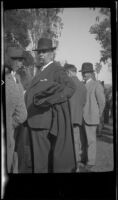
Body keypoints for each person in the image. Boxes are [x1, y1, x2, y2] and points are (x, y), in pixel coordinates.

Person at [20, 38, 76, 173]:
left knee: (41, 163)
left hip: (42, 122)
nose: (40, 54)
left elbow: (70, 88)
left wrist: (49, 100)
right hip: (34, 121)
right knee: (38, 160)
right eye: (39, 51)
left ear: (52, 53)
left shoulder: (56, 69)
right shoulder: (42, 70)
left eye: (44, 51)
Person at [5, 46, 27, 173]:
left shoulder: (17, 78)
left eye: (21, 60)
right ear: (9, 60)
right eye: (17, 60)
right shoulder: (10, 79)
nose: (20, 63)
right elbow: (22, 114)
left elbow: (21, 114)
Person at [79, 62, 105, 171]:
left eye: (86, 72)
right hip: (82, 118)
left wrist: (97, 115)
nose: (84, 74)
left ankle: (91, 162)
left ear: (91, 73)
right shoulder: (82, 85)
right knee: (83, 141)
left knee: (91, 141)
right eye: (83, 72)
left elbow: (102, 102)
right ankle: (84, 159)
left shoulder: (96, 85)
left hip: (91, 118)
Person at [64, 63, 87, 172]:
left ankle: (69, 164)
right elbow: (84, 102)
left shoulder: (68, 83)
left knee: (66, 142)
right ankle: (76, 165)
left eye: (66, 73)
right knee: (76, 141)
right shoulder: (83, 85)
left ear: (68, 72)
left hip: (67, 117)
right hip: (78, 117)